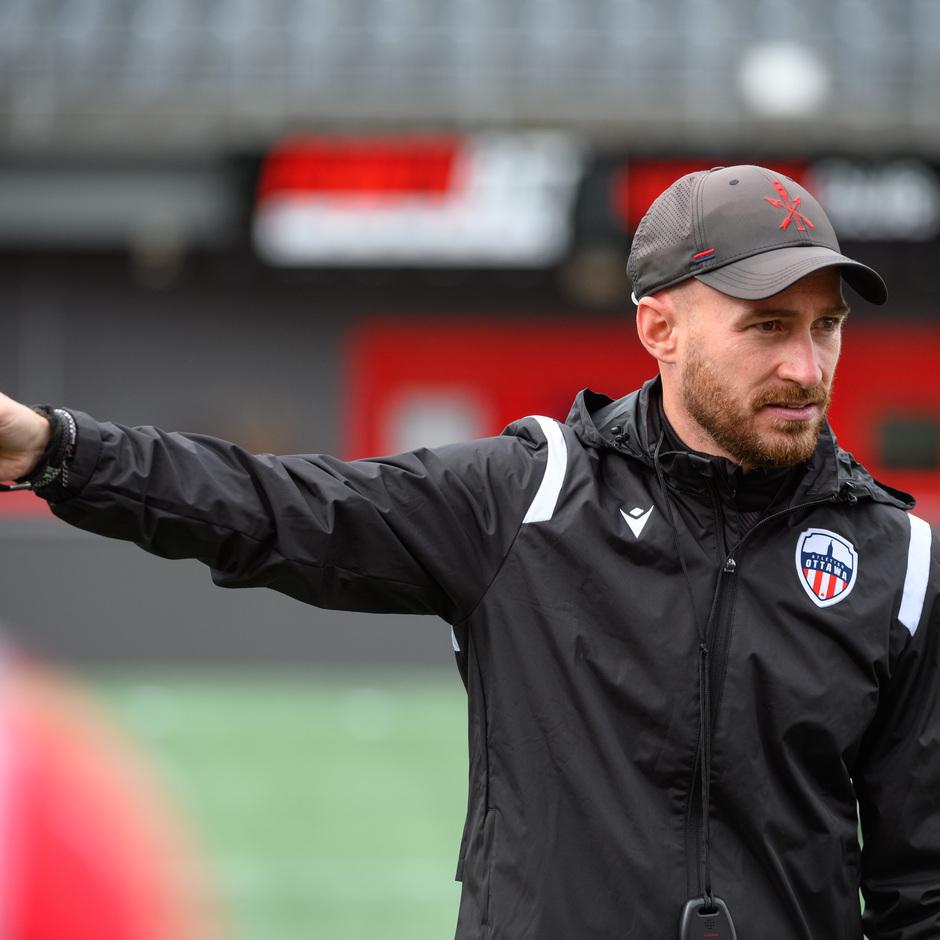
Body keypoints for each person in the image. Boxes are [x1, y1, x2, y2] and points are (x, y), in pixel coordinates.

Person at [0, 164, 937, 940]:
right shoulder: (526, 498)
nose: (807, 368)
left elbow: (921, 887)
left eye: (828, 327)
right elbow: (278, 508)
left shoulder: (899, 562)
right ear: (660, 328)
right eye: (767, 326)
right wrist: (56, 450)